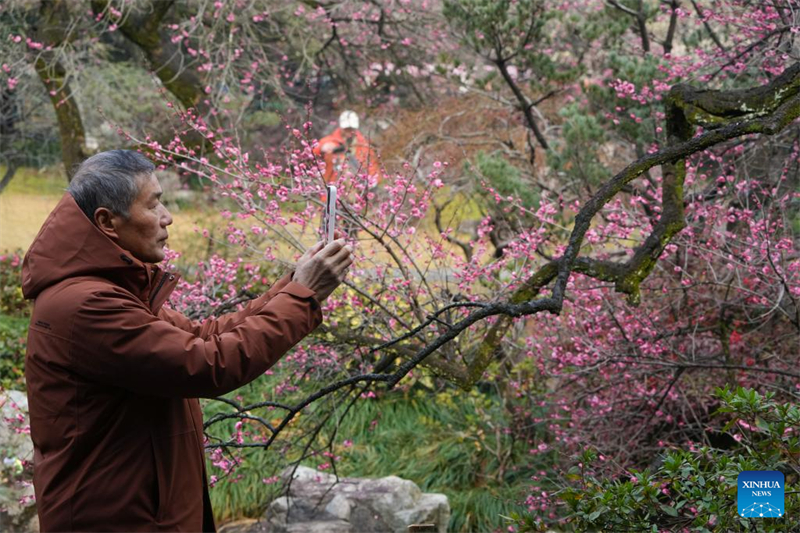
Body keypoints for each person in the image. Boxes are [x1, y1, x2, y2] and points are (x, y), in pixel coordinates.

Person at [21, 150, 353, 532]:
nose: (168, 218)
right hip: (118, 519)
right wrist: (301, 297)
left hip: (134, 512)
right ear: (107, 221)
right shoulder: (88, 305)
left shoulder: (109, 288)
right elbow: (208, 363)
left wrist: (294, 285)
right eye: (154, 204)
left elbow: (203, 335)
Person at [312, 110, 380, 186]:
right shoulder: (329, 141)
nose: (349, 131)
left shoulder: (364, 145)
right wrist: (322, 148)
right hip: (331, 188)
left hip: (355, 191)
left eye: (351, 128)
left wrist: (370, 183)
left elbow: (373, 168)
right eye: (346, 128)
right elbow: (313, 153)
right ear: (341, 127)